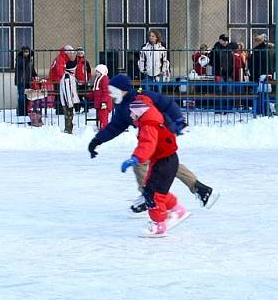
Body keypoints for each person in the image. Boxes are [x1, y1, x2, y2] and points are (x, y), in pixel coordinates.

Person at [88, 74, 218, 209]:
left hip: (161, 131)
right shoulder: (122, 107)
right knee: (165, 161)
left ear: (123, 90)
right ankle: (200, 188)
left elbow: (168, 103)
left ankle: (148, 195)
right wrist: (97, 140)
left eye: (113, 91)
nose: (111, 95)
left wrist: (179, 121)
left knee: (143, 162)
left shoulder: (140, 99)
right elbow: (115, 127)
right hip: (154, 134)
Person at [120, 96, 188, 238]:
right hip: (164, 160)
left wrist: (136, 158)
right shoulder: (153, 118)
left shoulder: (148, 125)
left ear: (139, 112)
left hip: (164, 162)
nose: (131, 117)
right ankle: (177, 209)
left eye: (132, 113)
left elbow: (147, 144)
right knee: (155, 190)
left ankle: (159, 225)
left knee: (152, 195)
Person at [15, 46, 36, 116]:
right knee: (21, 97)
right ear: (22, 52)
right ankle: (21, 112)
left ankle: (25, 111)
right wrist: (28, 59)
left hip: (28, 80)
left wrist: (35, 75)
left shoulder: (29, 59)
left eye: (28, 52)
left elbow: (31, 69)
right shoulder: (19, 58)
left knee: (27, 97)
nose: (27, 53)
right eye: (25, 52)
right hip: (21, 80)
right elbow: (22, 65)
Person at [60, 60, 80, 134]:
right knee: (68, 116)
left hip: (69, 100)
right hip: (67, 101)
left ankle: (69, 129)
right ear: (72, 69)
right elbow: (67, 90)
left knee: (70, 115)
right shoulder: (67, 77)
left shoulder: (70, 76)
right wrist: (70, 102)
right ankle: (68, 130)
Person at [92, 64, 113, 130]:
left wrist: (104, 102)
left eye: (98, 72)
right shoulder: (98, 79)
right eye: (97, 72)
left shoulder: (104, 79)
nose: (97, 73)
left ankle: (104, 129)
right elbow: (96, 91)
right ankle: (102, 128)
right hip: (100, 102)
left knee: (104, 117)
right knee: (101, 116)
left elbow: (106, 92)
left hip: (104, 103)